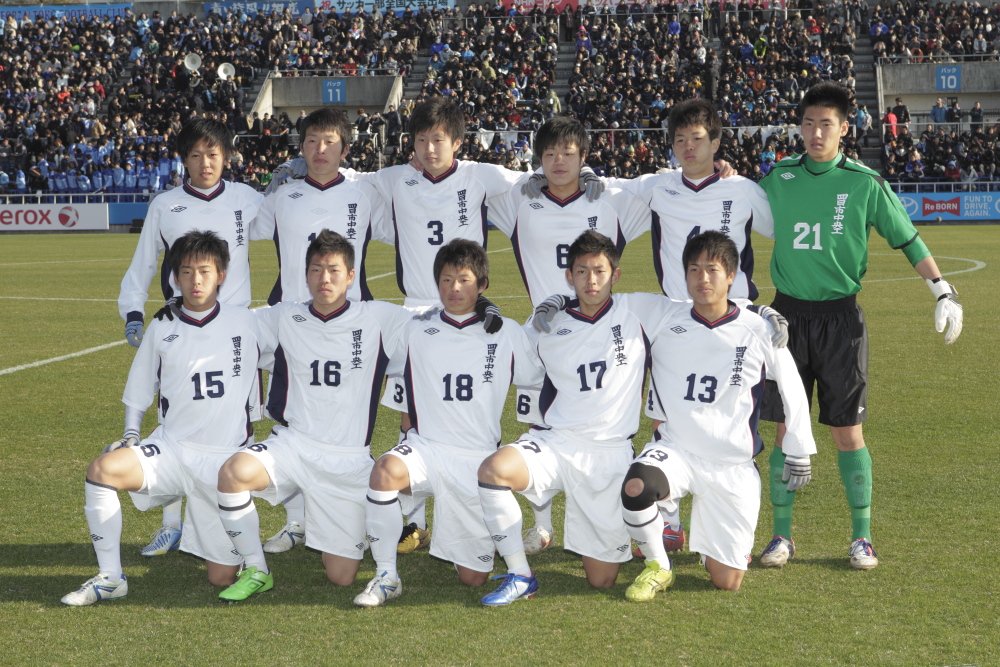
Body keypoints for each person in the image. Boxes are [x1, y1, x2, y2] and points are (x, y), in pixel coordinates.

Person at [757, 82, 964, 571]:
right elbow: (730, 206)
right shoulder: (778, 177)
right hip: (785, 320)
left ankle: (862, 538)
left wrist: (942, 290)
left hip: (840, 320)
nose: (815, 133)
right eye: (808, 123)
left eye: (826, 124)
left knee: (847, 433)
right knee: (786, 430)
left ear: (844, 129)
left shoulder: (864, 183)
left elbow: (907, 238)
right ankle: (781, 536)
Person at [62, 231, 262, 606]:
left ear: (221, 274)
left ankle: (204, 531)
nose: (195, 280)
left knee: (221, 577)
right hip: (171, 450)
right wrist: (131, 433)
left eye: (204, 271)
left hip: (222, 464)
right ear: (175, 277)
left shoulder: (248, 322)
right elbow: (140, 387)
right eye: (186, 272)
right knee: (102, 470)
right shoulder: (163, 325)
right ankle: (111, 577)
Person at [475, 231, 670, 606]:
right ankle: (520, 575)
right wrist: (486, 308)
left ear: (615, 275)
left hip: (609, 453)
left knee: (601, 580)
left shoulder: (640, 310)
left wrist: (758, 312)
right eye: (581, 271)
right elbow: (506, 349)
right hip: (555, 442)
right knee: (493, 471)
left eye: (599, 271)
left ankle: (648, 534)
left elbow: (700, 307)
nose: (590, 280)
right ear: (569, 276)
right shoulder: (547, 323)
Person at [214, 230, 410, 601]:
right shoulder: (284, 317)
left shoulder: (379, 318)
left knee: (341, 576)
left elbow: (436, 322)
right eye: (316, 269)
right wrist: (180, 312)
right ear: (305, 275)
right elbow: (227, 321)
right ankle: (256, 569)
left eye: (334, 270)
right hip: (293, 446)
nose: (324, 279)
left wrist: (480, 308)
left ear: (350, 276)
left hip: (347, 459)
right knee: (233, 474)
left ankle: (355, 529)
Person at [486, 116, 650, 555]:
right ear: (538, 158)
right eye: (550, 153)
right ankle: (542, 527)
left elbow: (661, 191)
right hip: (544, 331)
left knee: (602, 423)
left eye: (569, 153)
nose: (559, 161)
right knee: (538, 424)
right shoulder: (520, 200)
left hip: (599, 329)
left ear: (584, 157)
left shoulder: (609, 198)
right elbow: (468, 185)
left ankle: (641, 519)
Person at [622, 231, 816, 600]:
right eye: (694, 270)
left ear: (731, 275)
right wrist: (557, 301)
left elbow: (792, 385)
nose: (703, 278)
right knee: (636, 487)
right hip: (677, 450)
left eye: (712, 270)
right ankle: (658, 566)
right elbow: (601, 297)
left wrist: (799, 448)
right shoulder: (664, 316)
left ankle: (709, 542)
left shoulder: (758, 328)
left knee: (726, 581)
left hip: (731, 464)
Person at [354, 239, 542, 607]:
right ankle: (387, 575)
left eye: (464, 280)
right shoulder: (416, 328)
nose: (454, 288)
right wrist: (406, 429)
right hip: (426, 448)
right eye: (446, 279)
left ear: (482, 284)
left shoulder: (505, 331)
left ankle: (467, 547)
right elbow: (395, 373)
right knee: (385, 471)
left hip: (475, 460)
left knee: (473, 578)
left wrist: (532, 435)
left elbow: (535, 380)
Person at [117, 118, 266, 558]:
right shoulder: (166, 205)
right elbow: (145, 261)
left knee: (236, 425)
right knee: (176, 422)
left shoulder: (246, 198)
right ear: (184, 159)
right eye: (196, 155)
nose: (205, 163)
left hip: (235, 330)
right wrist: (133, 310)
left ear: (227, 157)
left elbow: (292, 222)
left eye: (213, 154)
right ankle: (171, 524)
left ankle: (236, 520)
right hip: (183, 325)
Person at [256, 108, 389, 306]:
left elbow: (409, 228)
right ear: (301, 147)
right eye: (312, 141)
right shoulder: (279, 196)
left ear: (345, 150)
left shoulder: (367, 195)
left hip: (351, 314)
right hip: (290, 313)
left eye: (329, 141)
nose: (320, 149)